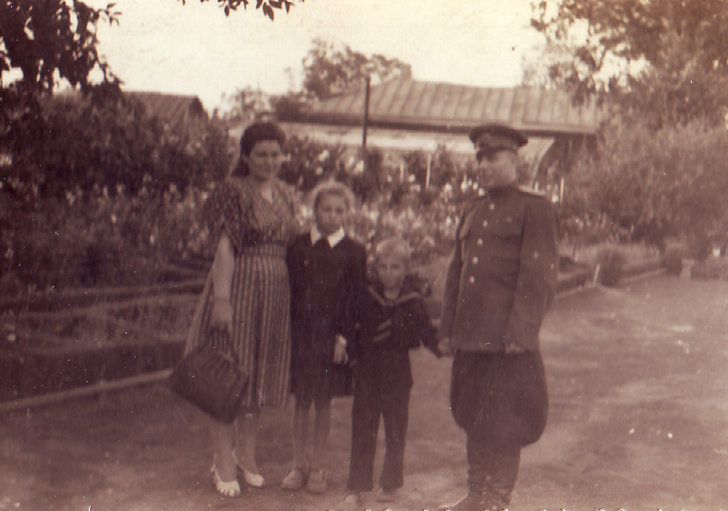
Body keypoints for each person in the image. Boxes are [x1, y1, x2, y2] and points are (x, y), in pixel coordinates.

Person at [437, 123, 559, 511]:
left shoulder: (533, 208)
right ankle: (476, 494)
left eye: (491, 158)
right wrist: (447, 329)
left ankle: (497, 500)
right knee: (473, 416)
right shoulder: (472, 209)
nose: (482, 166)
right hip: (472, 337)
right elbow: (456, 272)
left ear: (513, 161)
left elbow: (537, 277)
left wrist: (521, 333)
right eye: (479, 158)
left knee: (506, 424)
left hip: (507, 342)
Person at [185, 121, 298, 498]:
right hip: (240, 286)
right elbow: (224, 248)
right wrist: (222, 300)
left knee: (259, 377)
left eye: (275, 154)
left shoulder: (285, 193)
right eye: (261, 154)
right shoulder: (231, 191)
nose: (269, 161)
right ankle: (223, 459)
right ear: (246, 157)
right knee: (228, 374)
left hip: (275, 292)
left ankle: (246, 455)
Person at [282, 181, 367, 494]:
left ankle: (317, 466)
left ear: (347, 213)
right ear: (315, 210)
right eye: (326, 209)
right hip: (302, 336)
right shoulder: (298, 247)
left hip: (331, 338)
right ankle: (297, 465)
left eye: (339, 210)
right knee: (301, 400)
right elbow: (290, 294)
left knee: (323, 400)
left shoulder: (354, 251)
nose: (332, 215)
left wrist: (343, 338)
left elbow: (355, 299)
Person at [343, 237, 440, 508]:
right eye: (383, 267)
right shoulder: (366, 296)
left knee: (396, 429)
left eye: (395, 267)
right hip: (368, 372)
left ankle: (390, 483)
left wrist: (442, 346)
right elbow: (352, 329)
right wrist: (352, 358)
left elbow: (426, 331)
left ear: (405, 268)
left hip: (398, 374)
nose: (388, 273)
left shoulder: (413, 301)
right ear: (375, 268)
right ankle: (357, 486)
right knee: (363, 429)